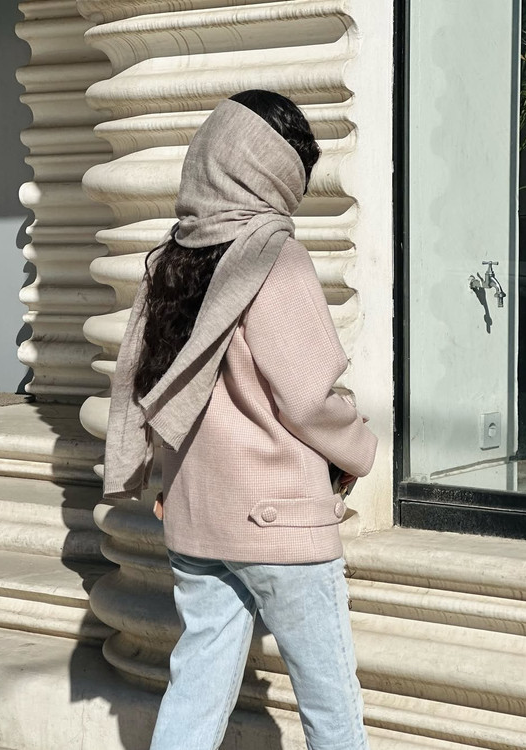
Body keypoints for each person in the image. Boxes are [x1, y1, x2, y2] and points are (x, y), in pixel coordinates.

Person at [104, 89, 378, 750]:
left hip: (196, 516)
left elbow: (147, 386)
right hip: (280, 520)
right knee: (331, 708)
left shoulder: (173, 259)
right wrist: (359, 448)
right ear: (269, 173)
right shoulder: (273, 256)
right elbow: (307, 398)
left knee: (195, 694)